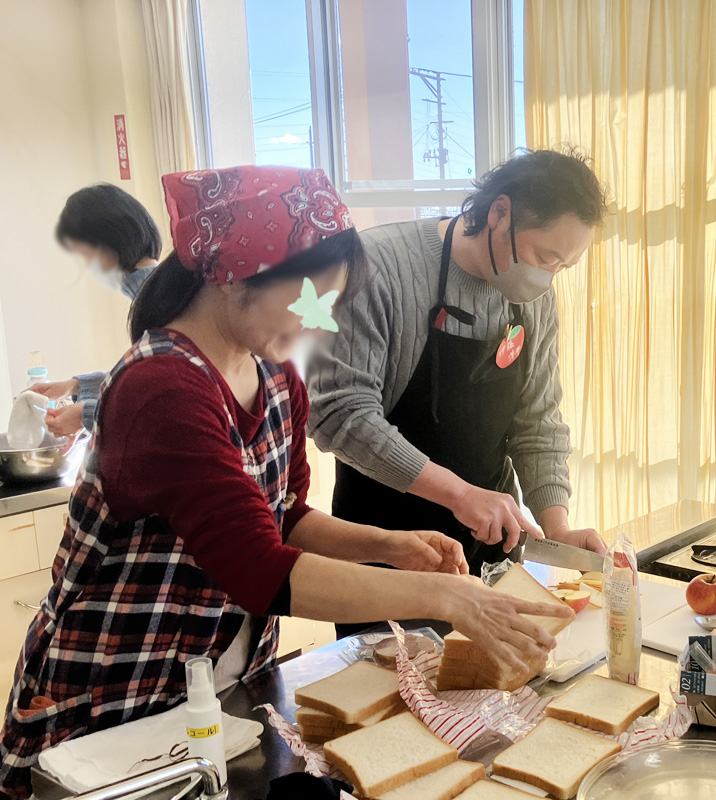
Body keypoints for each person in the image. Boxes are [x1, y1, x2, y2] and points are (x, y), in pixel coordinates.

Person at [0, 166, 568, 800]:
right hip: (113, 693)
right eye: (307, 298)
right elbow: (259, 569)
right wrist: (444, 596)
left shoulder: (273, 376)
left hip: (222, 681)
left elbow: (284, 515)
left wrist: (389, 544)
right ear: (238, 273)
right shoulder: (163, 387)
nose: (318, 321)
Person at [306, 149, 607, 633]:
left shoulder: (535, 301)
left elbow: (538, 422)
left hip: (490, 552)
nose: (547, 278)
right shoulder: (377, 266)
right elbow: (340, 414)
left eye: (563, 267)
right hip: (388, 551)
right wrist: (460, 494)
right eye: (545, 257)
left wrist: (559, 531)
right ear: (499, 213)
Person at [30, 184, 162, 436]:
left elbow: (158, 397)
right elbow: (141, 377)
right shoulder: (157, 289)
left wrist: (86, 414)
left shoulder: (157, 302)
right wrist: (75, 386)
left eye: (85, 255)